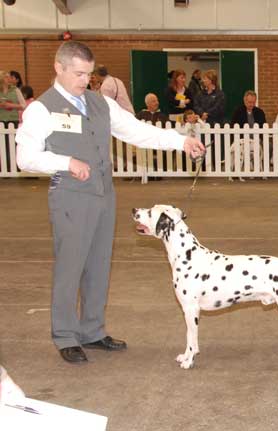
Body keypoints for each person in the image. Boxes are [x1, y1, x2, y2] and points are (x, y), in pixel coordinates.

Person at [15, 41, 204, 364]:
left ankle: (92, 331)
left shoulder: (101, 103)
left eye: (89, 75)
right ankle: (65, 335)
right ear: (59, 68)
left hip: (104, 193)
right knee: (70, 267)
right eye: (78, 74)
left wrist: (180, 141)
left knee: (99, 265)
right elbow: (25, 157)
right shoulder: (41, 109)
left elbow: (135, 131)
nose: (85, 81)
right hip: (70, 195)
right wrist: (65, 162)